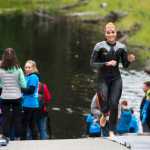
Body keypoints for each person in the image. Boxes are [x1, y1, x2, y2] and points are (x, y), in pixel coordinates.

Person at [90, 22, 135, 137]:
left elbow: (125, 65)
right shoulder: (99, 46)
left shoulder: (121, 47)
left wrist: (129, 60)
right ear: (105, 34)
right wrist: (106, 63)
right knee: (104, 98)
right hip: (103, 78)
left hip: (116, 79)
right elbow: (93, 64)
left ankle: (111, 131)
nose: (110, 34)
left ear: (116, 33)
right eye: (108, 32)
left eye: (112, 32)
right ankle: (104, 114)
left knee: (114, 103)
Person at [0, 48, 26, 140]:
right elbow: (24, 84)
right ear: (14, 56)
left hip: (5, 97)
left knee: (5, 118)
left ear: (4, 56)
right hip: (17, 97)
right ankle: (18, 138)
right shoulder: (18, 69)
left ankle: (5, 137)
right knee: (17, 118)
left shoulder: (0, 70)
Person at [21, 60, 40, 140]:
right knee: (31, 124)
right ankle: (35, 141)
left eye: (29, 67)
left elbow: (31, 90)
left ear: (33, 68)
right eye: (26, 67)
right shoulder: (27, 77)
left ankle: (23, 142)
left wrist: (19, 89)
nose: (27, 69)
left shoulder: (33, 77)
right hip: (29, 104)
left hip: (29, 104)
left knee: (25, 124)